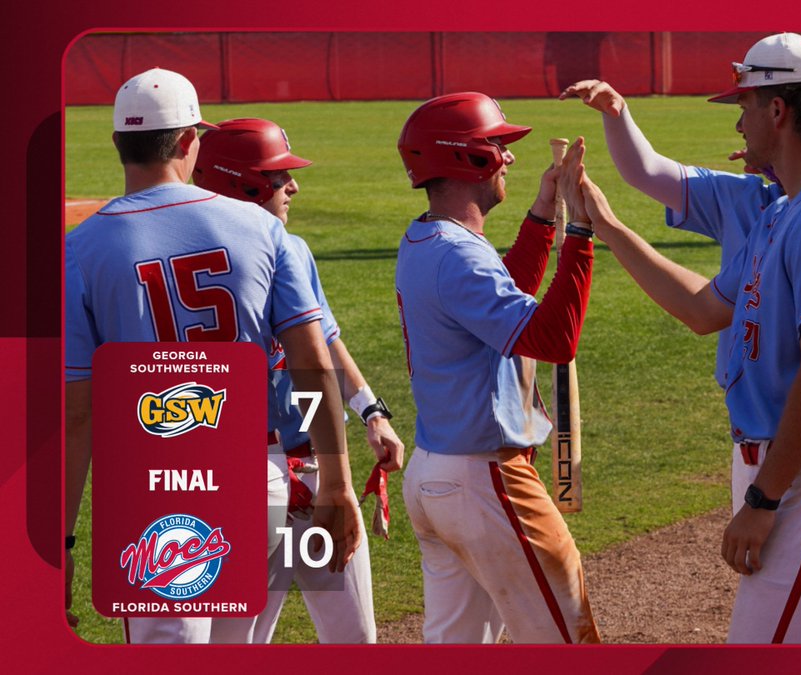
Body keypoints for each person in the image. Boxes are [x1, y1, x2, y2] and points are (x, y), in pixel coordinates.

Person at [561, 33, 801, 643]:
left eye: (744, 106)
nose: (739, 123)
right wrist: (607, 228)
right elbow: (703, 308)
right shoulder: (782, 210)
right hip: (798, 474)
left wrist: (764, 502)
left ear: (778, 110)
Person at [64, 69, 361, 643]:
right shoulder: (261, 229)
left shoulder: (80, 250)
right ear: (187, 142)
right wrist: (337, 483)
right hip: (260, 480)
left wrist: (63, 543)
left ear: (118, 145)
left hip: (156, 490)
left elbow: (78, 414)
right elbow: (310, 362)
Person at [394, 92, 600, 644]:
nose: (507, 158)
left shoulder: (427, 238)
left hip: (436, 472)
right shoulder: (458, 254)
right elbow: (553, 339)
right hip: (488, 481)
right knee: (570, 642)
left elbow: (500, 299)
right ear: (467, 158)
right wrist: (579, 231)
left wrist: (540, 213)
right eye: (498, 146)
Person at [559, 79, 801, 393]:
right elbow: (646, 171)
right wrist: (615, 113)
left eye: (745, 110)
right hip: (753, 420)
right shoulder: (747, 199)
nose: (738, 126)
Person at [192, 117, 404, 643]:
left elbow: (324, 343)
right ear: (241, 183)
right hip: (266, 482)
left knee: (341, 640)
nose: (294, 186)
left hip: (293, 472)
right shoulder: (282, 249)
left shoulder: (287, 249)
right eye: (279, 175)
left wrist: (371, 411)